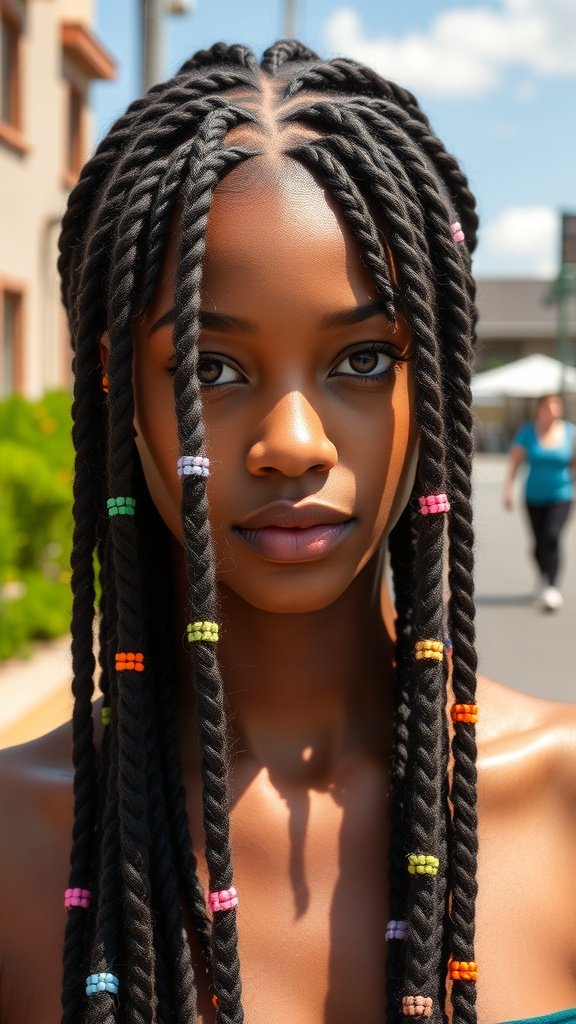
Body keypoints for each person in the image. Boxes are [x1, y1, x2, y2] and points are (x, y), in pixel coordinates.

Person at [0, 39, 575, 1024]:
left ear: (431, 379)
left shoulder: (564, 798)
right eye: (209, 370)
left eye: (361, 358)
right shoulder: (19, 835)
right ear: (116, 385)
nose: (293, 444)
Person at [504, 394, 576, 610]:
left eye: (556, 404)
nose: (553, 409)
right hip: (533, 496)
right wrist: (509, 489)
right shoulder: (528, 431)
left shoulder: (570, 432)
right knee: (538, 543)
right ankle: (544, 575)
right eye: (548, 405)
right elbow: (515, 461)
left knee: (552, 536)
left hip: (561, 495)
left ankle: (552, 587)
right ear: (540, 409)